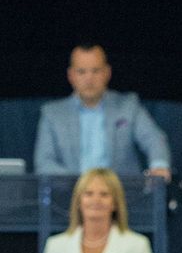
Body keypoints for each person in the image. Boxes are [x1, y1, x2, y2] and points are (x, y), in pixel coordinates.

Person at [34, 43, 171, 181]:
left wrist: (159, 166)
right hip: (71, 196)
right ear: (71, 76)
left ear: (107, 73)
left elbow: (154, 139)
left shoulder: (128, 106)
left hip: (122, 196)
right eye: (82, 71)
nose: (89, 78)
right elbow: (44, 162)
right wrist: (82, 186)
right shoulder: (52, 113)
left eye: (95, 71)